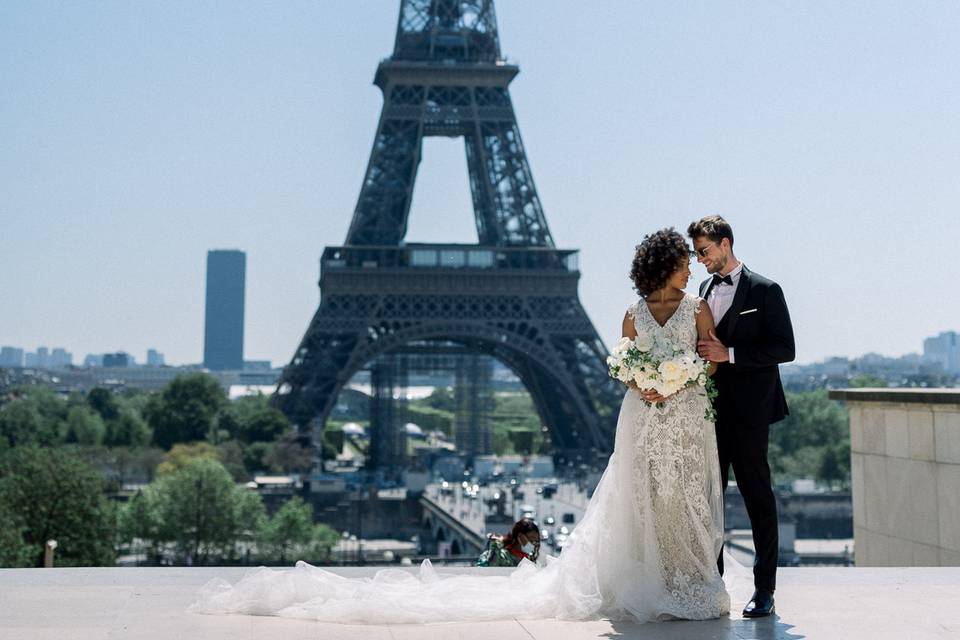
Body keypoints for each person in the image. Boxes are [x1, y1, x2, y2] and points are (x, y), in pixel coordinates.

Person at [190, 228, 733, 624]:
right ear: (665, 265)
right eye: (684, 261)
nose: (691, 268)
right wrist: (647, 383)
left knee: (679, 499)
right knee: (645, 499)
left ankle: (683, 582)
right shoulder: (634, 313)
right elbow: (626, 364)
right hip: (645, 415)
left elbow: (708, 358)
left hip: (682, 418)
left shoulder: (695, 308)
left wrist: (681, 377)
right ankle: (662, 585)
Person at [688, 215, 795, 618]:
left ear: (726, 244)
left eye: (705, 251)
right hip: (709, 413)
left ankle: (764, 590)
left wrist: (728, 355)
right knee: (709, 500)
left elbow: (785, 349)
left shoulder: (767, 290)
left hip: (750, 415)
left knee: (758, 500)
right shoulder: (702, 289)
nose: (700, 260)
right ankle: (712, 586)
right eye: (697, 253)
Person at [476, 519, 541, 567]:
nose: (533, 543)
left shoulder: (532, 560)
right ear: (520, 536)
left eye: (536, 540)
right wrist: (495, 549)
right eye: (531, 538)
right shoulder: (500, 555)